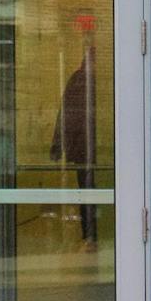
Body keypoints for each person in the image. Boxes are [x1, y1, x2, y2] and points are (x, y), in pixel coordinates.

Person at [50, 45, 97, 252]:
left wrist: (59, 145)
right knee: (87, 192)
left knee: (88, 192)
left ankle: (90, 237)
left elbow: (66, 113)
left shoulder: (82, 80)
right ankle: (89, 237)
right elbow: (69, 115)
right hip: (84, 151)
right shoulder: (82, 81)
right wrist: (59, 145)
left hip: (85, 150)